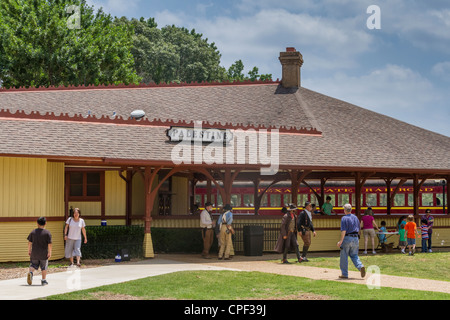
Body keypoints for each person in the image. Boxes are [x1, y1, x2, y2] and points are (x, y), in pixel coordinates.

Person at [337, 204, 365, 279]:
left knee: (344, 256)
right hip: (355, 238)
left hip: (347, 238)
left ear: (344, 210)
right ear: (351, 210)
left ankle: (344, 274)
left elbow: (344, 231)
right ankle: (360, 266)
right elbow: (359, 229)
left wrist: (340, 241)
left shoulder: (344, 218)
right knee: (354, 255)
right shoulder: (355, 218)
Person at [27, 217, 52, 286]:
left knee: (33, 265)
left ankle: (31, 273)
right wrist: (49, 252)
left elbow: (29, 242)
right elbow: (49, 244)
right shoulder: (47, 233)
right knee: (44, 267)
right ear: (45, 223)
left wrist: (29, 250)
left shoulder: (33, 232)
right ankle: (43, 280)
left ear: (37, 223)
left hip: (34, 253)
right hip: (43, 254)